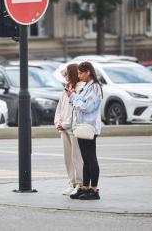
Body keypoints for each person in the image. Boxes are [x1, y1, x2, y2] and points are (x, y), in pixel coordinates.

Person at [65, 61, 102, 200]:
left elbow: (87, 107)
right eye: (78, 73)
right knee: (85, 159)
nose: (79, 75)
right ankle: (85, 187)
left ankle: (94, 189)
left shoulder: (95, 87)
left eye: (81, 73)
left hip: (89, 127)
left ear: (88, 72)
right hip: (81, 127)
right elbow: (80, 102)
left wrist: (73, 97)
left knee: (91, 158)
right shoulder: (87, 86)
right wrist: (73, 95)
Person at [54, 64, 85, 196]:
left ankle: (80, 184)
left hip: (74, 128)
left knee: (76, 157)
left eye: (66, 73)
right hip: (64, 129)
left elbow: (76, 110)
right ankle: (71, 183)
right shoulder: (66, 88)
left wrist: (65, 124)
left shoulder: (80, 88)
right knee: (67, 158)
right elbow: (59, 108)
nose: (64, 76)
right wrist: (57, 122)